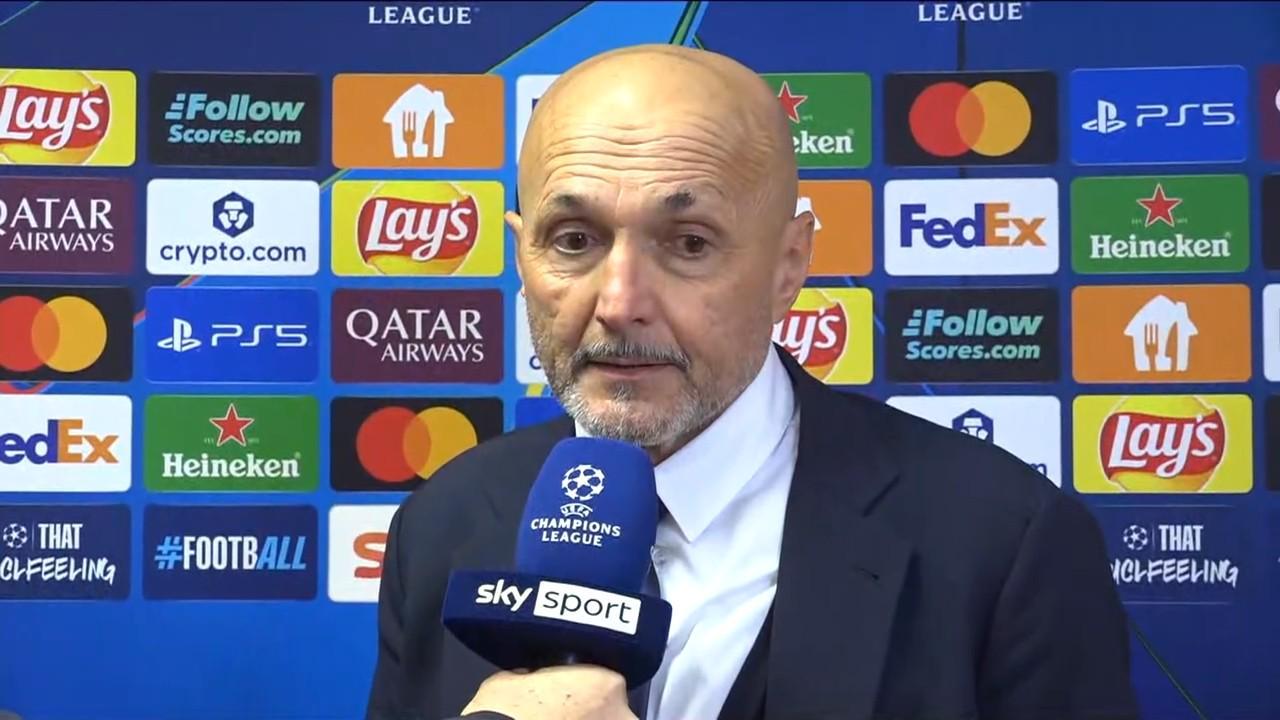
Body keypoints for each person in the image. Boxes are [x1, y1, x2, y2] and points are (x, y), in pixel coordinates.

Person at [364, 43, 1139, 720]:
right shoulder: (443, 525)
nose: (619, 303)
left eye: (689, 243)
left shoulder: (1004, 545)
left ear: (789, 265)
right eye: (573, 240)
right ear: (522, 256)